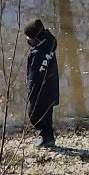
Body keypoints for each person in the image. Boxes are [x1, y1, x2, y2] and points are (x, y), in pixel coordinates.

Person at [24, 18, 60, 148]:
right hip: (51, 87)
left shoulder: (39, 53)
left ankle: (46, 137)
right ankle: (48, 137)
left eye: (30, 39)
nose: (28, 41)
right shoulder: (49, 43)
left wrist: (31, 93)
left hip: (41, 90)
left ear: (36, 38)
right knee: (46, 114)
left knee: (34, 113)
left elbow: (35, 76)